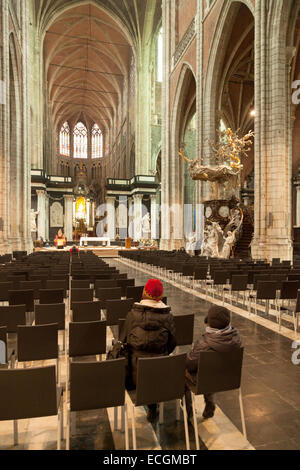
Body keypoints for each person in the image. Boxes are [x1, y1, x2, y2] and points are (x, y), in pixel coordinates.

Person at [120, 279, 176, 421]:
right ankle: (153, 404)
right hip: (161, 372)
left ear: (144, 293)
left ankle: (150, 404)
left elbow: (124, 341)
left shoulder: (132, 315)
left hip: (135, 376)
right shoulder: (168, 317)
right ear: (161, 297)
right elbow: (172, 344)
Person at [185, 305, 242, 419]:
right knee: (209, 370)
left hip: (206, 380)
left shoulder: (204, 343)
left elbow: (190, 365)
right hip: (228, 378)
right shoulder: (236, 338)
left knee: (185, 372)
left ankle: (188, 409)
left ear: (209, 322)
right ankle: (209, 403)